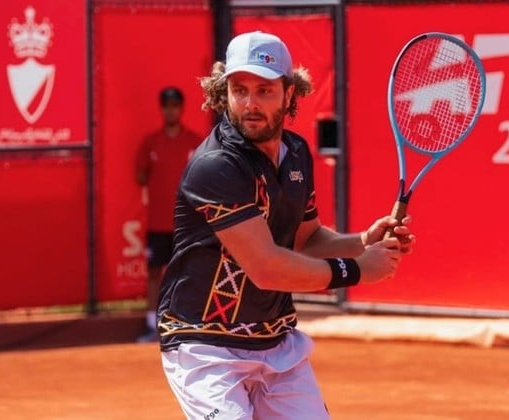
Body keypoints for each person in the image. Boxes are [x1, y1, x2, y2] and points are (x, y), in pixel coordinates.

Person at [157, 31, 416, 419]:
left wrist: (362, 241)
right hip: (206, 347)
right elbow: (266, 268)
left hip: (277, 345)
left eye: (264, 91)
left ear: (289, 93)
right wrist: (359, 269)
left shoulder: (295, 153)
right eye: (239, 90)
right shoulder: (216, 166)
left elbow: (305, 241)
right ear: (224, 92)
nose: (250, 104)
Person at [135, 86, 201, 343]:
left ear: (181, 109)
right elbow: (140, 175)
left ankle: (189, 324)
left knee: (189, 274)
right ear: (161, 109)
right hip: (157, 223)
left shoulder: (194, 142)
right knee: (154, 273)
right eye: (166, 106)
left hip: (186, 224)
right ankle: (152, 325)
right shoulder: (150, 142)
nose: (171, 111)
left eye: (175, 106)